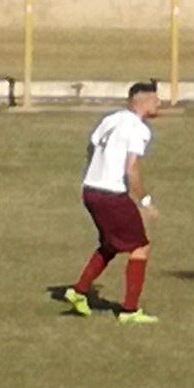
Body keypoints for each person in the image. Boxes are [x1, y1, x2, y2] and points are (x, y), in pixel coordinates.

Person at [62, 82, 166, 322]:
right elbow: (131, 169)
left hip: (90, 191)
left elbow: (92, 147)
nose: (159, 104)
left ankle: (78, 291)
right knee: (140, 246)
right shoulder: (139, 129)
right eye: (156, 99)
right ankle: (130, 310)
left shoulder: (111, 119)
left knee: (111, 244)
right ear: (143, 101)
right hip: (111, 194)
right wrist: (145, 201)